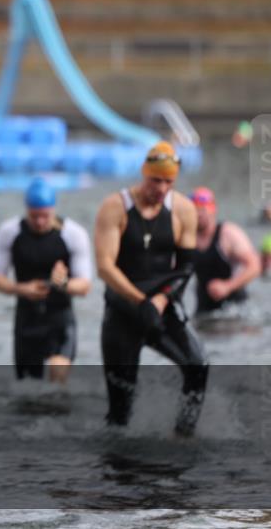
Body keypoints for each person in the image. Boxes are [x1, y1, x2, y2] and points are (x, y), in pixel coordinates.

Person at [93, 141, 208, 436]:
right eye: (155, 180)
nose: (161, 188)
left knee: (197, 366)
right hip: (122, 308)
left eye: (168, 182)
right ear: (144, 174)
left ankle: (183, 435)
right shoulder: (115, 207)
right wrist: (139, 301)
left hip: (162, 306)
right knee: (120, 412)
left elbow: (186, 268)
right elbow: (105, 267)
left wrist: (159, 301)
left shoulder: (183, 210)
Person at [0, 178, 92, 382]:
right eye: (34, 216)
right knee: (29, 391)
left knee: (58, 378)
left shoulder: (73, 234)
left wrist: (63, 283)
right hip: (27, 320)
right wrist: (21, 288)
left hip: (60, 319)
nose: (39, 222)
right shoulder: (10, 232)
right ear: (27, 210)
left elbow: (85, 286)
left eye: (45, 216)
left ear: (53, 210)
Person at [191, 187, 260, 315]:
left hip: (234, 311)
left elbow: (255, 265)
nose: (198, 214)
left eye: (202, 210)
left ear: (212, 210)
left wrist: (228, 286)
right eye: (194, 210)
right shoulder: (188, 237)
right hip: (203, 311)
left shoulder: (228, 233)